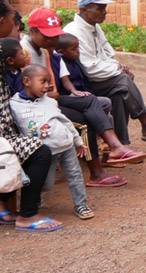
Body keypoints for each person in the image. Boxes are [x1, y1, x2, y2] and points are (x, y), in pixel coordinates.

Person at [24, 9, 146, 179]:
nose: (52, 40)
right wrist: (49, 93)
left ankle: (115, 147)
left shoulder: (44, 51)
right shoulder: (24, 52)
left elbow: (52, 89)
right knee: (84, 120)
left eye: (55, 36)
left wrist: (52, 93)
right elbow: (27, 90)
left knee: (90, 101)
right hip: (32, 108)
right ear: (32, 31)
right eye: (47, 36)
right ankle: (97, 172)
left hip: (48, 101)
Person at [0, 0, 59, 231]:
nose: (18, 26)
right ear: (1, 21)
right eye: (14, 21)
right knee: (40, 152)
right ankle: (27, 215)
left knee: (34, 140)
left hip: (0, 132)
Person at [65, 0, 146, 143]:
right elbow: (90, 69)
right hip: (80, 85)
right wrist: (118, 71)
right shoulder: (74, 31)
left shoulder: (93, 26)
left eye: (104, 8)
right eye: (99, 8)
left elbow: (107, 53)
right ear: (84, 9)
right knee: (123, 81)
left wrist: (118, 67)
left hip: (96, 80)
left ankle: (120, 145)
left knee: (119, 93)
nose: (104, 12)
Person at [10, 65, 94, 220]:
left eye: (48, 81)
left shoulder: (49, 102)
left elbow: (65, 122)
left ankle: (81, 204)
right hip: (45, 152)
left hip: (65, 145)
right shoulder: (14, 105)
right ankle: (36, 196)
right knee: (46, 183)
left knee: (75, 176)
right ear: (27, 81)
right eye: (43, 81)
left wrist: (77, 141)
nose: (47, 85)